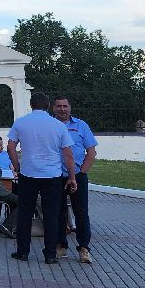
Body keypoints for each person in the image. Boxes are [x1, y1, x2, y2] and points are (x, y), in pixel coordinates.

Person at [8, 91, 77, 265]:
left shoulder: (20, 123)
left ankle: (22, 251)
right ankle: (50, 254)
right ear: (48, 106)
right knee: (51, 215)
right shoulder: (58, 125)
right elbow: (68, 155)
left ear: (31, 105)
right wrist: (72, 177)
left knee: (25, 213)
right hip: (52, 175)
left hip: (28, 174)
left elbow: (10, 147)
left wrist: (17, 167)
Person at [52, 96, 99, 264]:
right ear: (53, 108)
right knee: (58, 212)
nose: (62, 109)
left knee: (81, 213)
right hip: (55, 176)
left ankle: (84, 248)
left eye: (65, 106)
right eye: (59, 106)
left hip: (78, 175)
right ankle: (60, 246)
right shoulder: (50, 126)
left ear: (70, 108)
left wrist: (82, 173)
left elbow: (91, 152)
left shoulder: (81, 126)